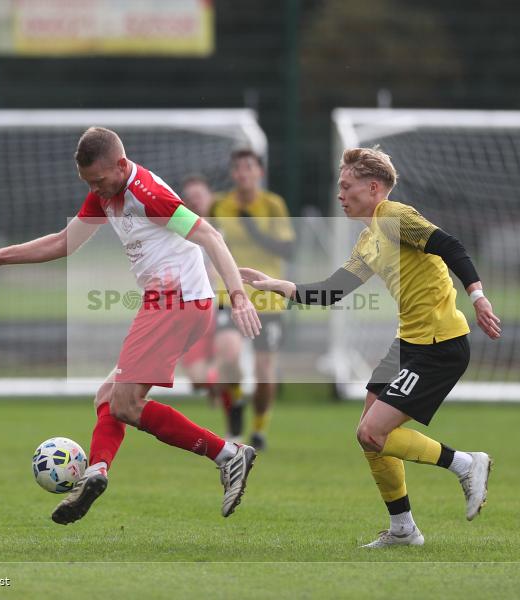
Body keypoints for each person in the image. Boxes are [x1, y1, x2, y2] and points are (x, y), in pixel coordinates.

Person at [0, 127, 261, 524]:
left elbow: (210, 236)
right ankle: (97, 471)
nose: (96, 190)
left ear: (121, 165)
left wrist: (238, 296)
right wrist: (0, 257)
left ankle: (227, 454)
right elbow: (64, 242)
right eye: (89, 183)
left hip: (177, 302)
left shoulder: (148, 194)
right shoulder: (106, 192)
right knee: (108, 397)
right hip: (170, 303)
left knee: (125, 404)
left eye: (99, 180)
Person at [240, 146, 501, 547]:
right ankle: (403, 529)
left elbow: (451, 247)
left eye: (347, 186)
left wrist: (478, 297)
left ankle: (466, 464)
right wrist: (279, 286)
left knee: (373, 434)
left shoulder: (395, 217)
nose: (340, 195)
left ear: (374, 188)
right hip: (407, 343)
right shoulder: (368, 239)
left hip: (439, 344)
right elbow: (332, 291)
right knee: (368, 437)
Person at [211, 149, 294, 449]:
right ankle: (235, 408)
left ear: (260, 172)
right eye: (238, 168)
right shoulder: (220, 204)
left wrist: (253, 230)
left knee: (263, 370)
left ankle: (259, 428)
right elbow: (208, 241)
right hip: (230, 293)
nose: (243, 172)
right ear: (233, 174)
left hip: (267, 298)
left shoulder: (273, 205)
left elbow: (288, 249)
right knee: (228, 355)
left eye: (249, 167)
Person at [178, 174, 220, 399]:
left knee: (229, 362)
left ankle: (229, 398)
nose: (195, 201)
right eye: (190, 197)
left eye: (199, 195)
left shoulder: (224, 230)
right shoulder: (178, 235)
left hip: (221, 309)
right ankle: (221, 390)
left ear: (210, 197)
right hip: (191, 312)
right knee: (197, 380)